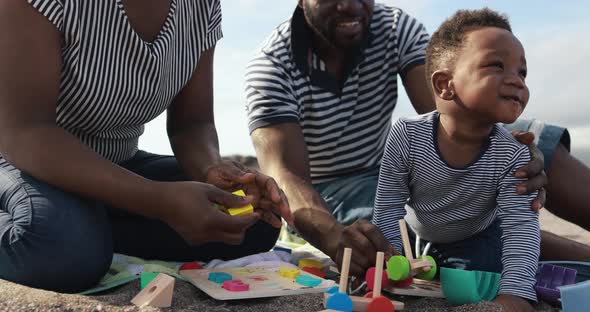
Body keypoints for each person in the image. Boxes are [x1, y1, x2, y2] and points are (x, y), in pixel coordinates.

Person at [245, 0, 589, 278]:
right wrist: (332, 237)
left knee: (530, 141)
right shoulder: (272, 65)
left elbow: (452, 114)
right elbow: (286, 176)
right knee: (419, 228)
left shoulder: (394, 27)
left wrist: (508, 154)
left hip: (398, 160)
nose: (349, 5)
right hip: (334, 186)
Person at [0, 0, 291, 293]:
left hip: (116, 161)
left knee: (251, 219)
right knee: (58, 253)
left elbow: (192, 124)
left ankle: (83, 224)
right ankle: (71, 228)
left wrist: (210, 169)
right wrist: (156, 200)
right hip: (19, 159)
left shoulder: (200, 7)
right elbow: (26, 132)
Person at [372, 8, 538, 310]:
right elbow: (388, 208)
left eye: (522, 71)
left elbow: (520, 227)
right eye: (497, 65)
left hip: (476, 235)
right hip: (416, 233)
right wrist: (391, 262)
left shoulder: (512, 153)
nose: (517, 81)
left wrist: (516, 294)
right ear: (444, 85)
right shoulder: (407, 136)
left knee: (467, 288)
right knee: (391, 274)